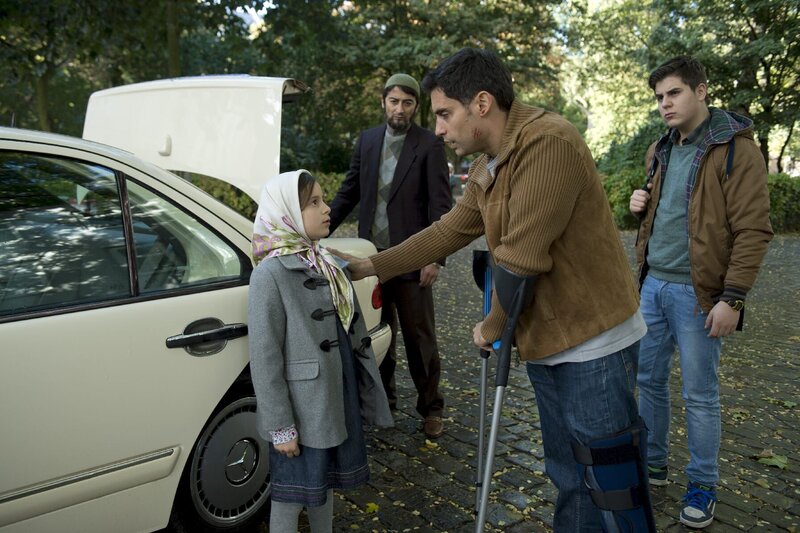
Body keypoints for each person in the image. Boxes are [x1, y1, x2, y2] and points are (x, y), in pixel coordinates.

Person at [338, 48, 652, 532]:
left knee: (608, 479)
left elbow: (523, 258)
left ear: (481, 103)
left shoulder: (549, 144)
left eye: (445, 114)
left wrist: (492, 325)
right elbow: (447, 231)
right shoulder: (491, 164)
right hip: (549, 341)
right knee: (568, 473)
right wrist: (370, 266)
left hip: (594, 342)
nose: (438, 129)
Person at [629, 56, 773, 529]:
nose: (664, 104)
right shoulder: (661, 149)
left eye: (673, 93)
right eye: (659, 97)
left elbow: (753, 229)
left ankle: (703, 484)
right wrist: (639, 205)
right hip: (652, 286)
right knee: (647, 383)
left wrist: (733, 297)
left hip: (700, 294)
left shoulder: (736, 150)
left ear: (701, 91)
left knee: (700, 395)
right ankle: (652, 465)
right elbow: (664, 215)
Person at [248, 170, 393, 532]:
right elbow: (265, 358)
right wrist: (281, 427)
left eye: (323, 199)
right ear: (288, 214)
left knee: (324, 486)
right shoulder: (269, 274)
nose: (326, 208)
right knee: (291, 495)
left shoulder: (325, 262)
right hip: (301, 408)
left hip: (332, 398)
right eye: (313, 202)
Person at [328, 73, 452, 439]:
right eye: (394, 101)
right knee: (376, 334)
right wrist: (315, 229)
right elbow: (349, 192)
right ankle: (384, 403)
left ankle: (431, 408)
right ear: (383, 102)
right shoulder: (367, 141)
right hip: (370, 258)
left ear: (416, 106)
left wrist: (435, 257)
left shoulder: (428, 145)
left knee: (420, 339)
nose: (400, 108)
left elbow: (441, 207)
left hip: (412, 259)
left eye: (408, 103)